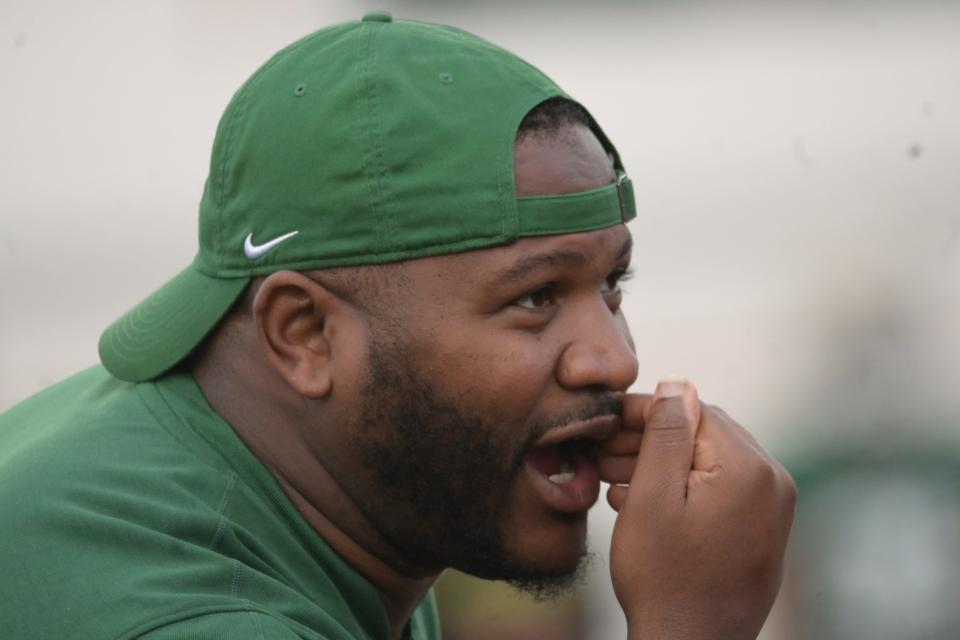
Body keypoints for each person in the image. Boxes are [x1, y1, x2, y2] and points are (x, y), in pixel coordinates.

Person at [0, 12, 796, 640]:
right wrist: (693, 624)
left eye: (611, 286)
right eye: (536, 298)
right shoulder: (177, 611)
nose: (614, 361)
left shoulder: (334, 492)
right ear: (304, 334)